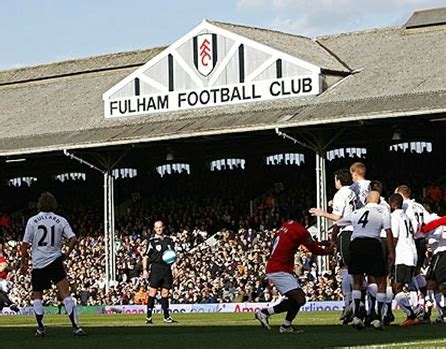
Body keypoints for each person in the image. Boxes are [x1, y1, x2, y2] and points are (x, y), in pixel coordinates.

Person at [255, 208, 334, 334]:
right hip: (279, 268)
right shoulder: (300, 230)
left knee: (295, 298)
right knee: (300, 299)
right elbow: (315, 250)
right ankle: (265, 313)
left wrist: (320, 242)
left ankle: (286, 326)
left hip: (277, 266)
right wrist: (329, 251)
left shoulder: (285, 227)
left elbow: (300, 242)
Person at [19, 192, 86, 337]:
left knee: (37, 295)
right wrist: (66, 254)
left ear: (39, 204)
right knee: (66, 294)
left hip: (38, 263)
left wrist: (23, 263)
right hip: (55, 260)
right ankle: (76, 327)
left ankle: (41, 328)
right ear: (54, 204)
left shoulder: (33, 221)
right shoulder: (60, 220)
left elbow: (25, 244)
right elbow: (73, 238)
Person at [334, 191, 395, 330]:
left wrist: (333, 239)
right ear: (378, 201)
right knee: (381, 281)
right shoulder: (383, 212)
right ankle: (378, 318)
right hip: (373, 244)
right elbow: (389, 232)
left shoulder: (357, 212)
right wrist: (391, 251)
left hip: (356, 244)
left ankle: (356, 316)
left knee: (357, 281)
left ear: (367, 200)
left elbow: (338, 222)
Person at [309, 168, 356, 324]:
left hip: (346, 232)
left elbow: (338, 217)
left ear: (339, 180)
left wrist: (321, 213)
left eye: (335, 180)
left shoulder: (341, 194)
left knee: (344, 269)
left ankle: (348, 304)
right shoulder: (354, 191)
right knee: (356, 270)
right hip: (357, 232)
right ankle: (356, 305)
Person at [395, 185, 429, 314]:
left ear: (400, 194)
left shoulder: (405, 207)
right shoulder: (418, 206)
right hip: (420, 241)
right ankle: (424, 301)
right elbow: (429, 220)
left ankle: (416, 305)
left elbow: (412, 225)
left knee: (410, 275)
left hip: (410, 242)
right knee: (416, 273)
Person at [388, 193, 420, 327]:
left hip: (402, 255)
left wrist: (390, 254)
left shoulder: (394, 216)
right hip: (412, 253)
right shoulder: (406, 216)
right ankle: (416, 311)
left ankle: (411, 315)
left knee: (397, 286)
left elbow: (394, 237)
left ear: (393, 204)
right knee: (406, 284)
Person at [142, 220, 178, 324]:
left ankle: (166, 317)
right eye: (156, 227)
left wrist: (174, 267)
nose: (158, 229)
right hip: (156, 268)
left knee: (165, 293)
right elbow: (146, 256)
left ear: (163, 227)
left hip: (166, 268)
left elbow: (172, 255)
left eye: (160, 227)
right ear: (154, 229)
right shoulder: (152, 241)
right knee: (152, 292)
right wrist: (145, 270)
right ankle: (149, 317)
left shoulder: (169, 240)